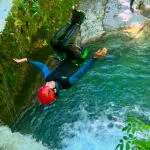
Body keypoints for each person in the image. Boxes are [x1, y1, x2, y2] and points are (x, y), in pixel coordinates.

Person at [13, 48, 107, 105]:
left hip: (66, 59)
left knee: (56, 43)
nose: (46, 83)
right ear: (54, 90)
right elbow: (82, 71)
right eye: (47, 86)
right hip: (78, 60)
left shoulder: (48, 79)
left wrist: (27, 60)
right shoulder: (67, 83)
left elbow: (43, 67)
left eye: (44, 85)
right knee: (78, 50)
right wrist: (94, 58)